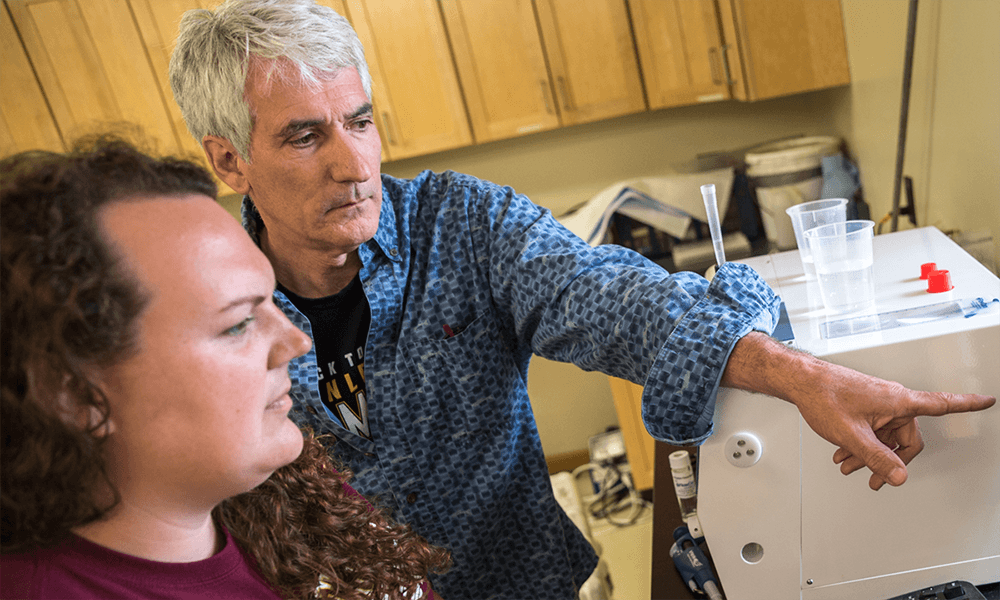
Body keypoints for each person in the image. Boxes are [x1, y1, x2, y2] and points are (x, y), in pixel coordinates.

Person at [168, 1, 996, 597]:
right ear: (229, 160)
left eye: (360, 121)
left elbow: (606, 297)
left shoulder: (464, 221)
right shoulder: (206, 302)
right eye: (305, 136)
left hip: (521, 582)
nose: (354, 165)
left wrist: (795, 373)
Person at [0, 137, 450, 600]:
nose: (296, 342)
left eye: (270, 301)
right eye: (237, 324)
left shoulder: (284, 489)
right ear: (74, 394)